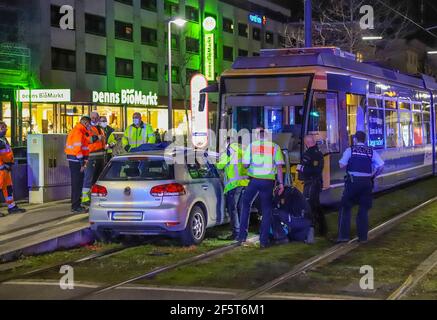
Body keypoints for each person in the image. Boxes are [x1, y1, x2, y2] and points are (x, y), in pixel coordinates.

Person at [238, 127, 285, 248]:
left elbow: (245, 164)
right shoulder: (275, 147)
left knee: (246, 204)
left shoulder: (251, 146)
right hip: (268, 181)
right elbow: (279, 167)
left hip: (254, 181)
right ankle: (263, 241)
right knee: (266, 209)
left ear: (258, 136)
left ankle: (242, 236)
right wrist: (281, 183)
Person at [337, 131, 384, 243]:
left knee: (345, 207)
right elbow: (381, 165)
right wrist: (373, 176)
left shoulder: (350, 150)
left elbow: (341, 164)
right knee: (363, 209)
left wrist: (350, 162)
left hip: (353, 182)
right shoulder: (371, 151)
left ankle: (344, 236)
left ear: (355, 139)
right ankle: (363, 237)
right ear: (365, 140)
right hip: (367, 182)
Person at [216, 136, 249, 240]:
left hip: (233, 185)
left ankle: (236, 233)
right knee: (241, 209)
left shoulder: (230, 151)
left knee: (232, 209)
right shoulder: (243, 150)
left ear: (228, 143)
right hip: (244, 183)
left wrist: (217, 160)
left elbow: (219, 166)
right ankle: (242, 233)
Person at [297, 135, 326, 236]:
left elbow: (315, 170)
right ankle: (322, 229)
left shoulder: (310, 154)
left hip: (311, 183)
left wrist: (301, 168)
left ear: (307, 143)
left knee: (310, 206)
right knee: (316, 205)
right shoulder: (318, 153)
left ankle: (311, 229)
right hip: (314, 183)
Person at [65, 116, 92, 213]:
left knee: (78, 183)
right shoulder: (78, 132)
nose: (90, 126)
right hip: (76, 161)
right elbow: (77, 149)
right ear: (85, 123)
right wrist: (81, 163)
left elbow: (86, 143)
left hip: (76, 160)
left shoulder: (80, 131)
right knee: (77, 183)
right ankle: (75, 206)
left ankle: (76, 204)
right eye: (89, 124)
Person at [0, 121, 26, 217]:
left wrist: (8, 164)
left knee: (8, 188)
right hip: (2, 168)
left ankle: (11, 206)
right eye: (3, 127)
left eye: (5, 127)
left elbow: (7, 153)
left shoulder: (3, 139)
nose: (5, 129)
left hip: (5, 168)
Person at [81, 112, 106, 207]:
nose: (94, 119)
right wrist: (97, 138)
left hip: (100, 157)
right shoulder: (88, 128)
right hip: (91, 157)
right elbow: (86, 139)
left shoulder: (100, 128)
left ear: (99, 118)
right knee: (88, 178)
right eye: (92, 117)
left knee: (97, 180)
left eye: (96, 117)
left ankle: (94, 198)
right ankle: (85, 199)